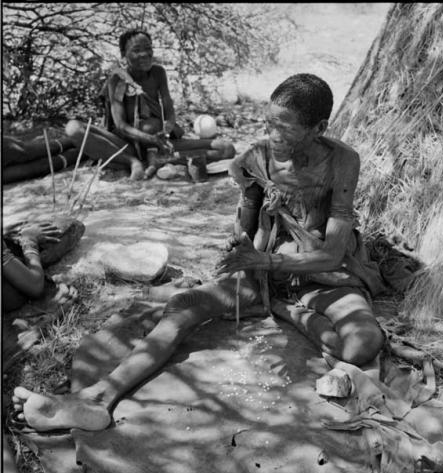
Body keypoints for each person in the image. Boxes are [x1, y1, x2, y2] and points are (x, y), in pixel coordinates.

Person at [12, 73, 385, 432]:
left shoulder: (341, 162)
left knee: (361, 344)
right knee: (183, 305)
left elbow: (333, 254)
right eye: (268, 124)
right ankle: (96, 398)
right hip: (266, 271)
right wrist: (239, 239)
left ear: (318, 128)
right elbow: (247, 222)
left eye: (285, 129)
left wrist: (268, 269)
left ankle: (283, 309)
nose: (272, 136)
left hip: (323, 274)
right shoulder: (257, 157)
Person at [65, 29, 235, 181]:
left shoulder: (158, 73)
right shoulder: (118, 80)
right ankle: (132, 162)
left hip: (160, 145)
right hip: (127, 145)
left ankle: (164, 159)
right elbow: (121, 126)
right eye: (136, 50)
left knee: (226, 148)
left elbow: (168, 107)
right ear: (123, 54)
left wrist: (166, 129)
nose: (145, 54)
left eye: (148, 48)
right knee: (74, 128)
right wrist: (148, 138)